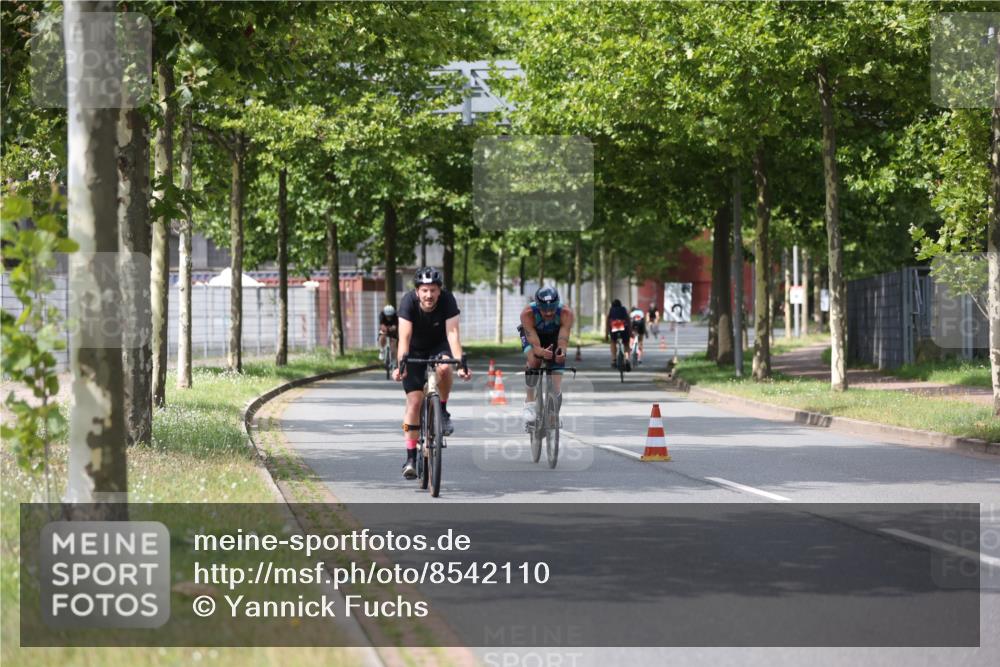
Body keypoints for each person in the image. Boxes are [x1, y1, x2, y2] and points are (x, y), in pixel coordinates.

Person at [393, 267, 472, 479]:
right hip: (415, 350)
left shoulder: (447, 301)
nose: (429, 295)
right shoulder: (408, 302)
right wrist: (402, 364)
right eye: (425, 290)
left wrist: (460, 364)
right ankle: (411, 458)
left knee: (445, 367)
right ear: (417, 291)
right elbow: (405, 337)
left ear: (440, 291)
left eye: (434, 290)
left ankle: (443, 411)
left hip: (439, 346)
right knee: (415, 402)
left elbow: (453, 335)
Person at [517, 286, 574, 430]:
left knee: (556, 381)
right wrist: (541, 352)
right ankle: (530, 402)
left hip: (553, 337)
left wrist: (561, 352)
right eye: (544, 309)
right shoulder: (528, 313)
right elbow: (535, 344)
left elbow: (563, 339)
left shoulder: (566, 313)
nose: (548, 313)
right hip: (534, 336)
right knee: (534, 360)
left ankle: (553, 413)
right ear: (537, 305)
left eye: (552, 309)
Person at [606, 298, 631, 368]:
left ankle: (614, 360)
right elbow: (628, 320)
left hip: (614, 327)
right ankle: (627, 360)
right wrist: (630, 332)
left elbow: (607, 321)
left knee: (613, 342)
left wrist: (606, 334)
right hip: (623, 327)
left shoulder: (611, 310)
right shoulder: (624, 309)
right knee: (626, 344)